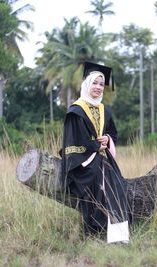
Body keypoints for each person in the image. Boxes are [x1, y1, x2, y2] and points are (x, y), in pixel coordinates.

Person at [60, 62, 130, 244]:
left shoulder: (105, 110)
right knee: (97, 188)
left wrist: (107, 139)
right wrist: (94, 147)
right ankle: (94, 235)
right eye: (95, 83)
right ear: (87, 85)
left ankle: (118, 237)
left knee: (118, 188)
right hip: (82, 162)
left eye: (101, 84)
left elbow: (113, 133)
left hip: (102, 159)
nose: (98, 87)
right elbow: (72, 141)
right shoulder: (76, 111)